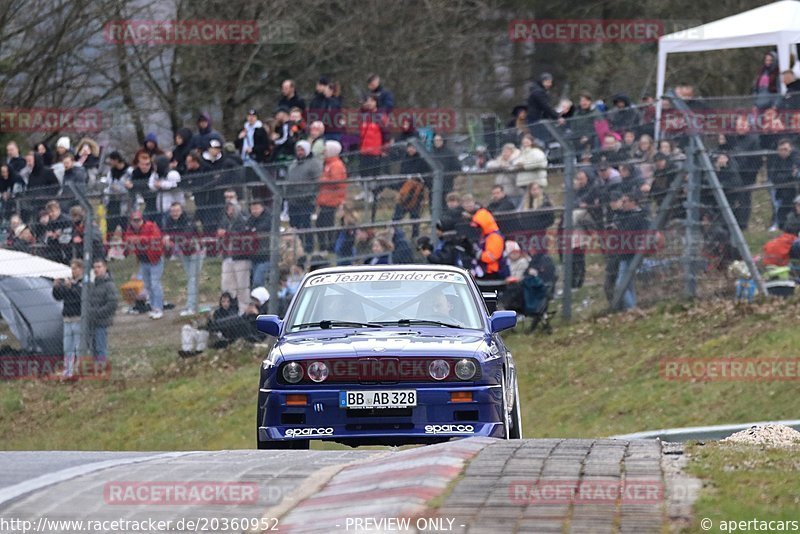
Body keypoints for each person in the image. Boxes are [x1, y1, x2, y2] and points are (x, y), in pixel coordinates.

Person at [163, 202, 204, 316]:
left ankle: (191, 307)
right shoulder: (169, 221)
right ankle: (192, 305)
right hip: (184, 252)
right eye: (172, 211)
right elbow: (166, 235)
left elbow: (186, 234)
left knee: (192, 279)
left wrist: (170, 238)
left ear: (181, 211)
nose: (175, 213)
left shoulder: (188, 219)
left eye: (177, 210)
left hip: (196, 251)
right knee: (190, 278)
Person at [124, 211, 165, 319]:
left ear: (142, 220)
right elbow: (127, 239)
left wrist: (139, 239)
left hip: (155, 260)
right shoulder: (130, 229)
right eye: (134, 221)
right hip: (143, 261)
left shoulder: (150, 226)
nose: (136, 223)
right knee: (147, 285)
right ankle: (153, 307)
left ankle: (159, 308)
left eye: (138, 220)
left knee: (155, 284)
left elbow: (155, 239)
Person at [285, 140, 322, 252]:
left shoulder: (314, 163)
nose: (299, 152)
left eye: (302, 150)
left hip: (306, 200)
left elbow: (318, 181)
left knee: (305, 225)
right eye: (298, 150)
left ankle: (308, 248)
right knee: (294, 225)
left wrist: (310, 194)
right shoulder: (294, 163)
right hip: (293, 200)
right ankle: (297, 248)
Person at [218, 201, 251, 314]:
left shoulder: (243, 220)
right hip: (227, 256)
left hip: (240, 257)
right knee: (227, 284)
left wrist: (227, 233)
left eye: (232, 209)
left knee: (242, 285)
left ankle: (244, 310)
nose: (230, 211)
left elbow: (243, 236)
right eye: (228, 209)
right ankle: (230, 308)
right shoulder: (224, 220)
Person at [53, 259, 83, 379]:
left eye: (75, 268)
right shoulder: (69, 282)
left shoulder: (84, 282)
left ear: (81, 269)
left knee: (78, 347)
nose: (73, 271)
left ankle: (80, 370)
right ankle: (68, 371)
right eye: (71, 269)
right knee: (67, 347)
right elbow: (58, 297)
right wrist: (56, 287)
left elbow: (81, 297)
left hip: (78, 318)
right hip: (67, 319)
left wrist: (71, 288)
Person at [463, 202, 508, 280]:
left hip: (492, 274)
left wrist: (477, 254)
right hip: (484, 272)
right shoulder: (485, 236)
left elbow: (492, 257)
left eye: (479, 226)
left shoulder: (495, 237)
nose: (477, 229)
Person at [316, 140, 347, 252]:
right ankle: (324, 247)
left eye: (326, 149)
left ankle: (330, 247)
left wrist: (323, 180)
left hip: (332, 201)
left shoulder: (336, 165)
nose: (324, 151)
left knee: (328, 225)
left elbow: (338, 181)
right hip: (326, 200)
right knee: (321, 224)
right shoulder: (329, 164)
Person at [88, 258, 117, 365]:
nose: (96, 270)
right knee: (93, 348)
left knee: (101, 347)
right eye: (95, 267)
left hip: (101, 321)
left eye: (99, 267)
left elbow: (112, 304)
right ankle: (96, 367)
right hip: (92, 321)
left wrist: (97, 313)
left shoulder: (109, 285)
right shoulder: (93, 285)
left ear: (105, 268)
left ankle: (101, 368)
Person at [245, 199, 271, 288]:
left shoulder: (268, 218)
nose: (254, 211)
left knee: (258, 282)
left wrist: (253, 231)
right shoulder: (251, 219)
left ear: (262, 208)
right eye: (252, 209)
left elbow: (261, 229)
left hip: (266, 256)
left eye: (256, 208)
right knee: (252, 281)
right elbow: (246, 230)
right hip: (254, 256)